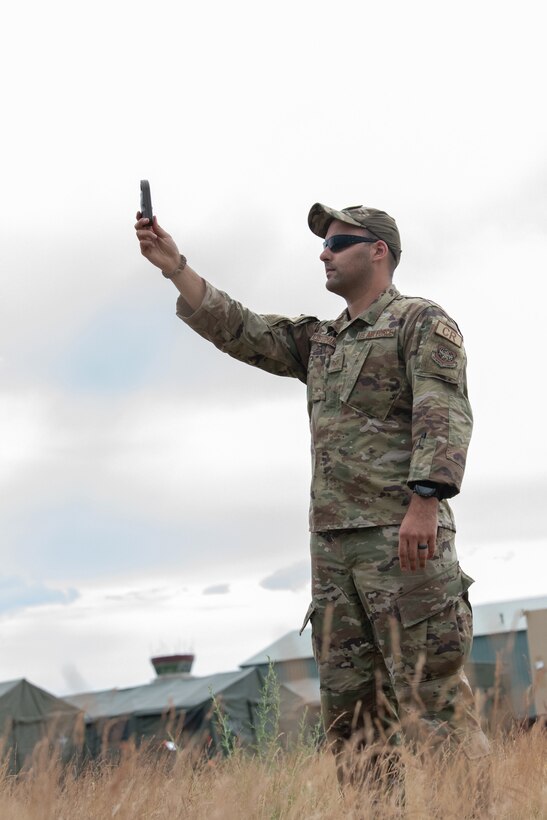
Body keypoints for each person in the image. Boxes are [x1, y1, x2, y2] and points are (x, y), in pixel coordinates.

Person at [134, 202, 491, 780]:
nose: (323, 252)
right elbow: (242, 328)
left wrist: (425, 502)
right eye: (322, 244)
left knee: (433, 708)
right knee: (354, 725)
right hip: (334, 558)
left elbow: (442, 411)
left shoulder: (421, 322)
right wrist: (175, 267)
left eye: (337, 242)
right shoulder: (322, 341)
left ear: (379, 250)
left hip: (403, 544)